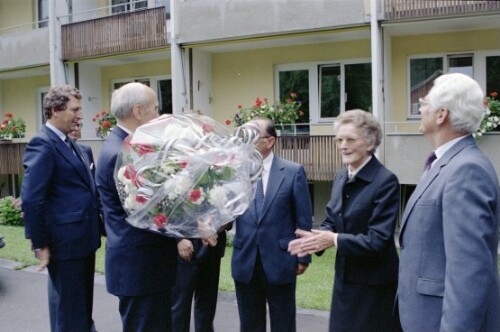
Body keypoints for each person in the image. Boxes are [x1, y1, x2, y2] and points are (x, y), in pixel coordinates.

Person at [397, 73, 500, 331]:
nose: (421, 109)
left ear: (441, 114)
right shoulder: (446, 164)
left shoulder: (466, 171)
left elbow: (468, 273)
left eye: (424, 103)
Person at [288, 109, 401, 332]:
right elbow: (332, 218)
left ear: (369, 144)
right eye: (339, 139)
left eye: (350, 139)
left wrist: (334, 239)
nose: (343, 145)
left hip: (374, 286)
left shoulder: (385, 181)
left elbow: (378, 240)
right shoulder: (341, 175)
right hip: (345, 281)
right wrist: (317, 238)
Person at [95, 82, 178, 332]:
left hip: (146, 265)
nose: (158, 115)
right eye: (155, 108)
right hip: (139, 266)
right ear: (138, 111)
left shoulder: (126, 145)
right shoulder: (121, 152)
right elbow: (147, 209)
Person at [21, 85, 101, 332]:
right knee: (68, 313)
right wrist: (39, 243)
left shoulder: (71, 143)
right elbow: (33, 199)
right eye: (75, 109)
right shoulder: (42, 143)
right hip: (65, 245)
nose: (80, 115)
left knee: (81, 311)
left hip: (84, 241)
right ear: (56, 110)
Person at [231, 117, 312, 332]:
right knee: (249, 324)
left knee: (283, 324)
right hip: (245, 260)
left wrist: (303, 255)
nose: (245, 142)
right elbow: (226, 211)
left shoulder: (293, 172)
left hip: (280, 260)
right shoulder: (235, 172)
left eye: (252, 137)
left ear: (270, 141)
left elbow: (303, 217)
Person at [171, 226, 230, 332]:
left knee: (207, 310)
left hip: (212, 247)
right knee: (179, 311)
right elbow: (168, 212)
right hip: (184, 249)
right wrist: (178, 238)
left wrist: (214, 227)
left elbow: (230, 212)